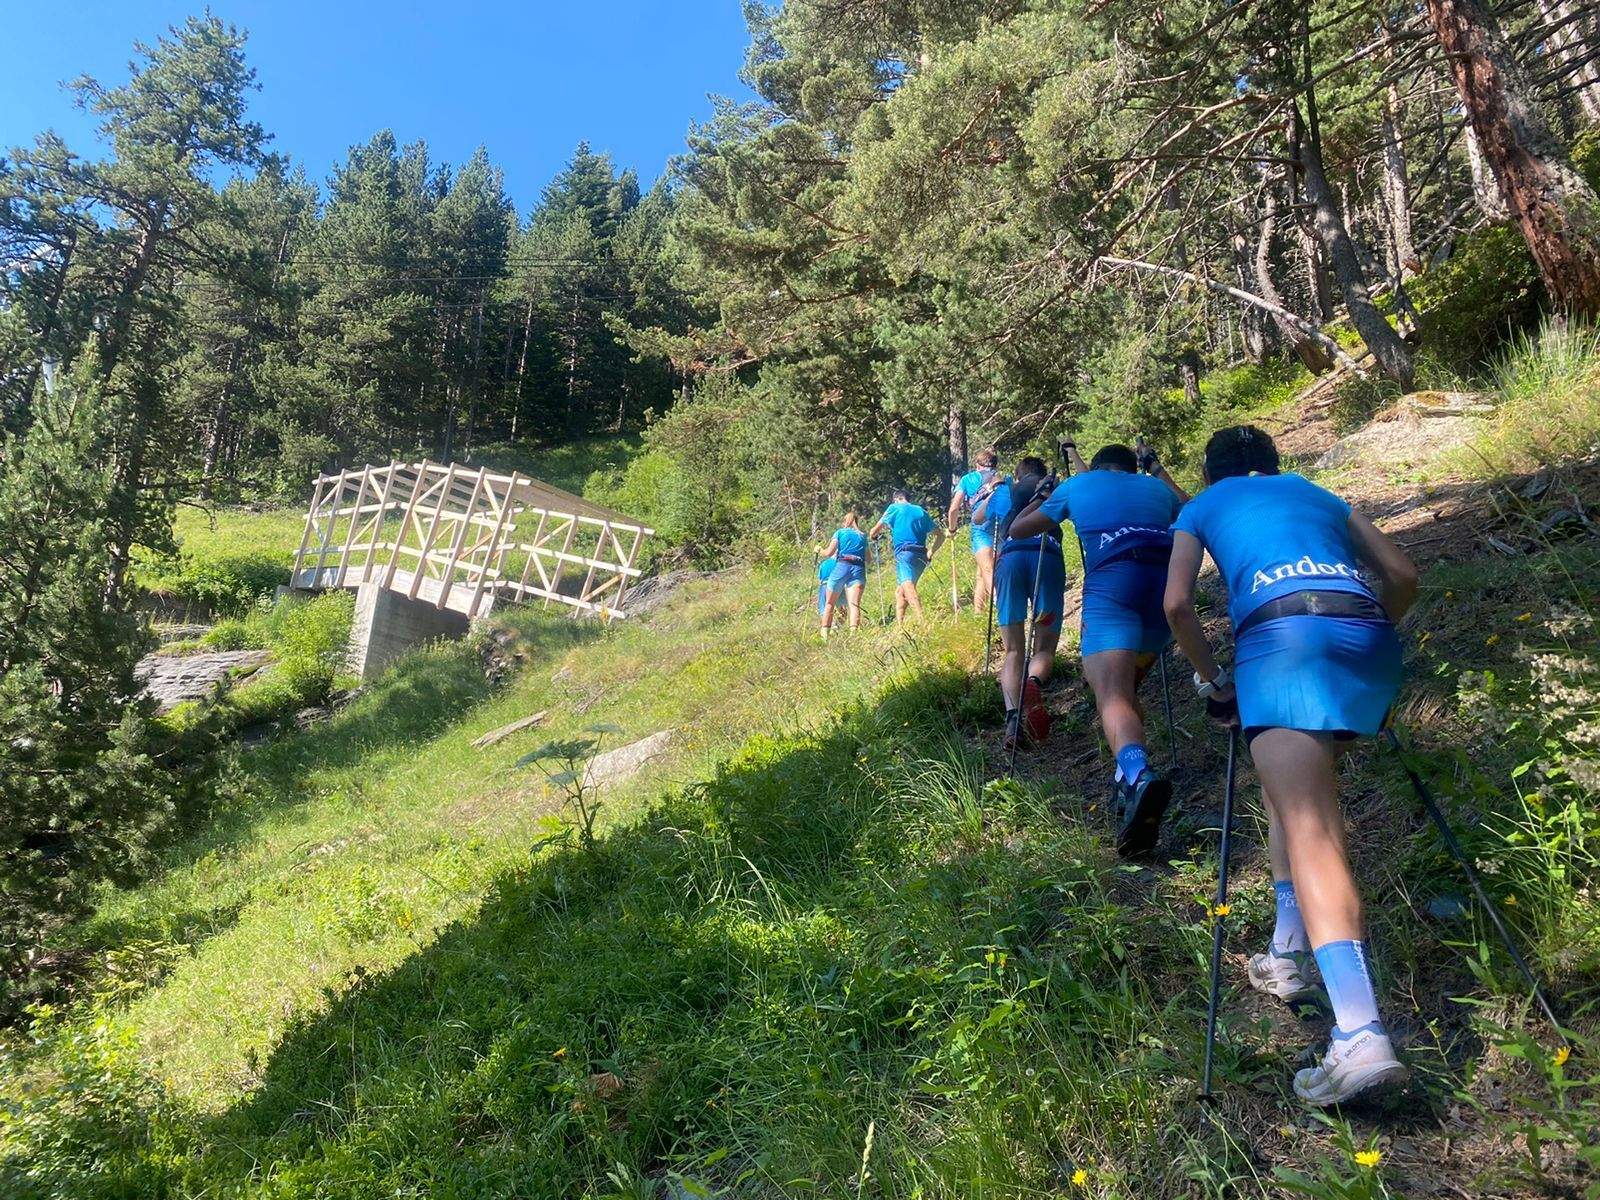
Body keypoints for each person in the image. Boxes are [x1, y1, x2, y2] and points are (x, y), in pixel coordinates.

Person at [1163, 425, 1419, 1107]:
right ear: (1273, 464)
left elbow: (1177, 603)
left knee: (1312, 831)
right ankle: (1288, 954)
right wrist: (1361, 636)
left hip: (1280, 641)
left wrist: (1213, 681)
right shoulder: (1316, 491)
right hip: (1362, 635)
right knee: (1291, 802)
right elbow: (1402, 575)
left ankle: (1361, 1032)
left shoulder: (1200, 506)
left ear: (1213, 474)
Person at [1011, 440, 1189, 859]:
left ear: (1100, 466)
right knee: (1125, 693)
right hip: (1160, 591)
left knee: (1111, 694)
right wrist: (1157, 468)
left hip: (1114, 584)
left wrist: (1042, 495)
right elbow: (1190, 508)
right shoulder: (1155, 488)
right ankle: (1125, 783)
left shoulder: (1079, 485)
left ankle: (1137, 773)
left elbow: (1018, 529)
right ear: (1131, 468)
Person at [973, 455, 1066, 751]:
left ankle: (1013, 718)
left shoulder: (1005, 490)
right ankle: (1034, 683)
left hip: (1010, 559)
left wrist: (992, 492)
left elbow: (977, 519)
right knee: (1044, 647)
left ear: (1018, 473)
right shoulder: (1052, 486)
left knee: (1014, 650)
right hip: (1046, 554)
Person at [870, 489, 947, 625]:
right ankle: (900, 626)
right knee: (900, 592)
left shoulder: (893, 508)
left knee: (908, 586)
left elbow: (875, 530)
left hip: (904, 553)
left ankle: (922, 620)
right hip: (921, 554)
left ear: (896, 499)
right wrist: (931, 552)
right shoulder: (921, 511)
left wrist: (873, 535)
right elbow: (940, 535)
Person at [947, 448, 1001, 615]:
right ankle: (979, 612)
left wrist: (952, 528)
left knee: (987, 569)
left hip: (981, 528)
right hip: (1001, 525)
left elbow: (954, 508)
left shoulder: (967, 479)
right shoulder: (1002, 478)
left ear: (977, 465)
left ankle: (1000, 607)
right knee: (981, 572)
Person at [817, 513, 868, 638]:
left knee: (830, 603)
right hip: (859, 569)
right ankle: (853, 636)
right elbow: (869, 558)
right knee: (854, 605)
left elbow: (829, 553)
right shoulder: (862, 536)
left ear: (845, 521)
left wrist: (819, 550)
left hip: (842, 567)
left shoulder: (839, 533)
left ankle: (825, 636)